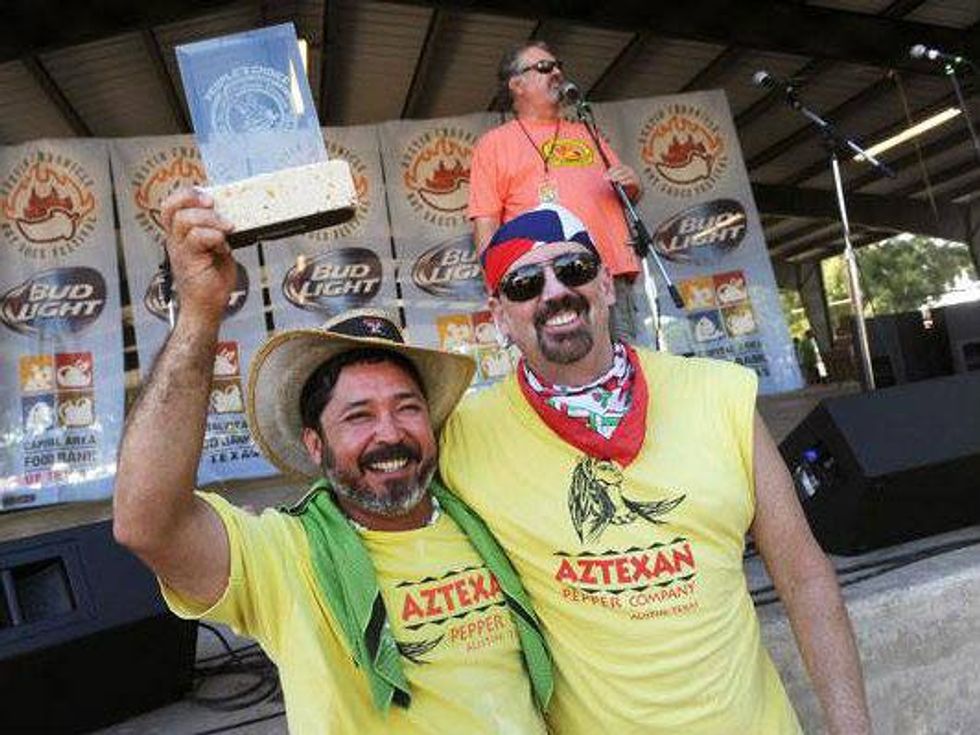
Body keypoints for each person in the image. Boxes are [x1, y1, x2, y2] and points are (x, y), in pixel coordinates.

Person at [112, 189, 552, 734]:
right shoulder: (288, 556)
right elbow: (147, 523)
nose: (390, 433)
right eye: (358, 416)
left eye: (407, 407)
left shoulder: (487, 520)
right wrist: (200, 314)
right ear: (315, 444)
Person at [440, 204, 872, 734]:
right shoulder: (463, 437)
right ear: (499, 315)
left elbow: (803, 575)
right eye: (525, 283)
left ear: (605, 284)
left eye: (573, 270)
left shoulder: (720, 394)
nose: (555, 292)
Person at [469, 41, 645, 342]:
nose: (556, 73)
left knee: (624, 360)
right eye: (544, 67)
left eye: (557, 66)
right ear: (517, 85)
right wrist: (499, 290)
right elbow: (486, 226)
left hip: (608, 273)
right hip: (546, 280)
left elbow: (626, 194)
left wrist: (633, 184)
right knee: (562, 362)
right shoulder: (493, 144)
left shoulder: (586, 131)